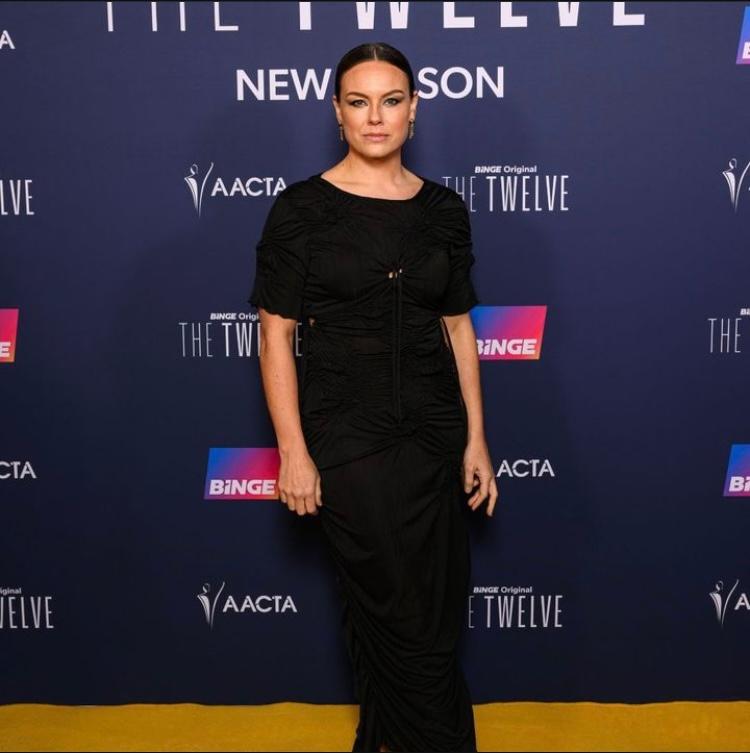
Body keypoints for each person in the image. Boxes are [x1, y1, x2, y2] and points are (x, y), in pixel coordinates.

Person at [248, 41, 498, 753]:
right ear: (338, 112)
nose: (376, 117)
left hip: (433, 433)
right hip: (346, 436)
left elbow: (458, 328)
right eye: (359, 102)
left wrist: (476, 439)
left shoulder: (444, 210)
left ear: (414, 110)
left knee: (435, 609)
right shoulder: (300, 210)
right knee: (393, 605)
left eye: (391, 101)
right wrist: (293, 452)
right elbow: (274, 337)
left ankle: (382, 741)